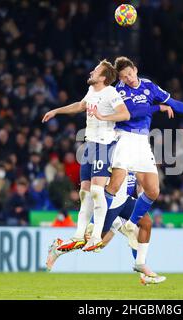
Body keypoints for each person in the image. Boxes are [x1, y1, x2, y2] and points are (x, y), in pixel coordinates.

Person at [97, 56, 183, 279]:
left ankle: (131, 229)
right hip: (124, 138)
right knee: (114, 185)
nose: (128, 79)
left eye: (129, 74)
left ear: (136, 70)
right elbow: (133, 113)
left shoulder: (149, 86)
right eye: (123, 77)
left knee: (153, 191)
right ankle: (96, 226)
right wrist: (157, 108)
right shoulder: (118, 91)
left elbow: (175, 104)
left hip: (142, 142)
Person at [42, 59, 130, 252]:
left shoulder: (111, 92)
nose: (92, 71)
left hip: (104, 145)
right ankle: (79, 235)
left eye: (96, 70)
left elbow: (125, 115)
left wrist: (103, 117)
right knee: (85, 193)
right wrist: (56, 111)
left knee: (98, 192)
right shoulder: (92, 91)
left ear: (104, 77)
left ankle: (96, 236)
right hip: (90, 144)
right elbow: (81, 105)